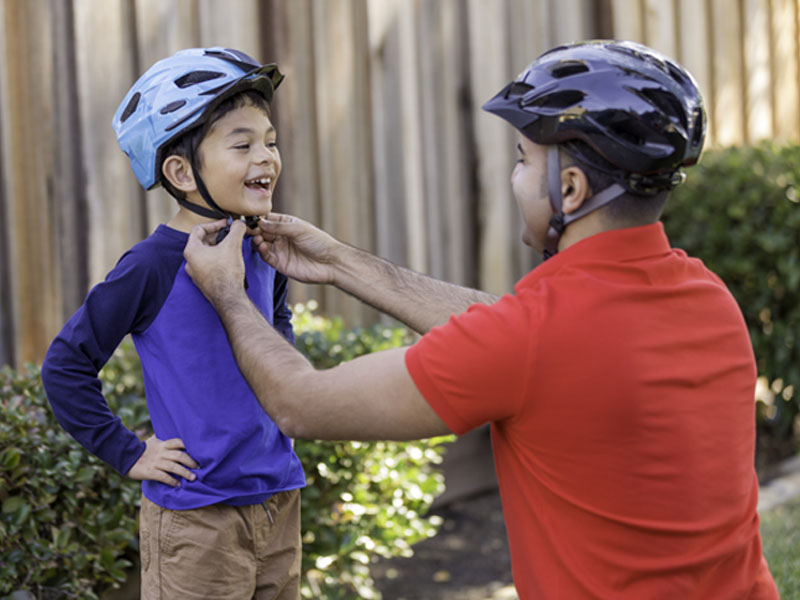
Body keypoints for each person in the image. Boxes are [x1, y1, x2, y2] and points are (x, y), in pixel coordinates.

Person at [183, 41, 779, 598]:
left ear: (569, 189)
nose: (514, 177)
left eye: (524, 160)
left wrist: (230, 295)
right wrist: (340, 263)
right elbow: (513, 335)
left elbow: (301, 403)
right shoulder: (706, 297)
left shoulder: (533, 339)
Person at [41, 47, 305, 599]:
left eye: (270, 141)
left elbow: (277, 325)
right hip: (196, 517)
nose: (267, 157)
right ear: (181, 172)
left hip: (278, 496)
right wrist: (130, 451)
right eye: (243, 144)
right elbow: (66, 365)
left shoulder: (263, 244)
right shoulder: (152, 266)